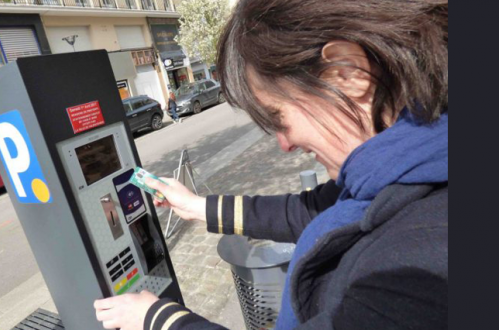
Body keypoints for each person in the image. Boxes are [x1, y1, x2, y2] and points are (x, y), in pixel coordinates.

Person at [94, 1, 448, 330]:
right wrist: (194, 206)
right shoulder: (402, 171)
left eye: (278, 116)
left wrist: (159, 318)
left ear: (347, 73)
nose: (284, 144)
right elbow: (308, 210)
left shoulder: (418, 263)